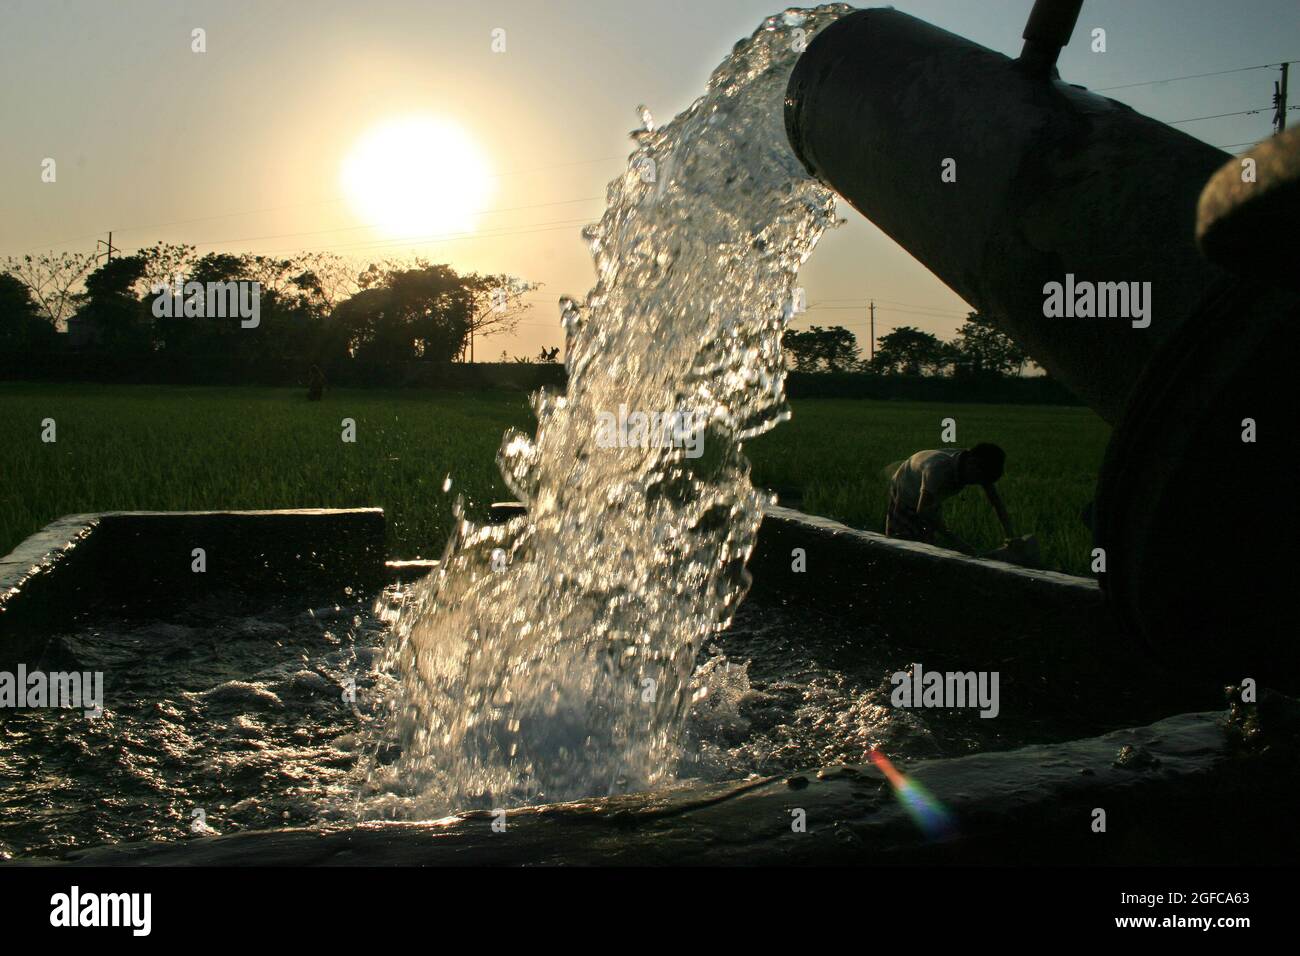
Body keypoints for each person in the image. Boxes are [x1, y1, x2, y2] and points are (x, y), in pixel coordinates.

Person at [885, 443, 1013, 551]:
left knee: (927, 544)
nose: (977, 483)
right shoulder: (938, 470)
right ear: (972, 464)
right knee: (903, 543)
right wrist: (956, 541)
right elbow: (923, 510)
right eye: (978, 479)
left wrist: (1010, 537)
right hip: (906, 487)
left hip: (930, 494)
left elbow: (997, 503)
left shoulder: (978, 466)